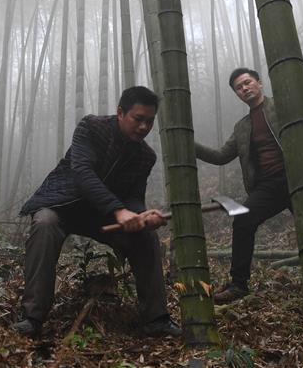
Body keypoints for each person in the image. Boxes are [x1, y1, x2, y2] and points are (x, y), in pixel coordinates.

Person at [11, 86, 181, 339]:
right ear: (121, 113)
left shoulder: (146, 156)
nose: (144, 127)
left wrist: (142, 217)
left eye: (149, 121)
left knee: (146, 238)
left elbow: (134, 196)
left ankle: (156, 319)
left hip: (104, 216)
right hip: (63, 204)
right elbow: (82, 173)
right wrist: (119, 210)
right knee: (45, 223)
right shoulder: (91, 127)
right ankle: (33, 317)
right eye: (138, 119)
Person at [195, 68, 292, 303]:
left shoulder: (283, 105)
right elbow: (220, 156)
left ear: (259, 83)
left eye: (247, 83)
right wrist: (189, 144)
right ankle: (239, 284)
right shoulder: (242, 127)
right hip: (268, 185)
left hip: (297, 176)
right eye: (239, 87)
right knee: (243, 220)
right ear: (237, 94)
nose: (245, 88)